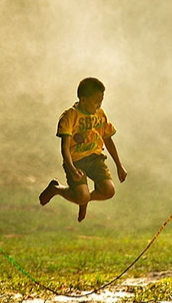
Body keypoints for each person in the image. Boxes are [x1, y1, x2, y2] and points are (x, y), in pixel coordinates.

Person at [39, 77, 127, 222]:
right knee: (81, 196)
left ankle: (84, 199)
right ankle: (56, 189)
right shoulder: (69, 116)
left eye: (101, 101)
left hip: (95, 159)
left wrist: (119, 165)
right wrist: (72, 169)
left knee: (109, 191)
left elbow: (108, 139)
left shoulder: (100, 114)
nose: (99, 105)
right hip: (76, 161)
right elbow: (65, 148)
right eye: (96, 102)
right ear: (83, 100)